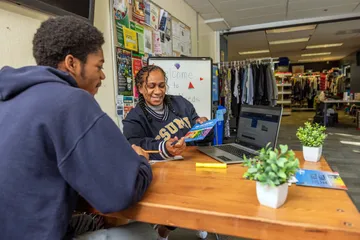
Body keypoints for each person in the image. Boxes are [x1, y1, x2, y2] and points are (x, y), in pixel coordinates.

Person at [0, 16, 156, 240]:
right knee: (144, 233)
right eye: (99, 66)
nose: (102, 75)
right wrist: (141, 161)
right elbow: (120, 193)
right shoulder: (71, 101)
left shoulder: (8, 97)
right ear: (72, 63)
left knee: (89, 220)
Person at [123, 65, 211, 240]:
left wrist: (202, 125)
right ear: (140, 88)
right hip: (164, 173)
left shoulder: (180, 103)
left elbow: (197, 126)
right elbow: (135, 145)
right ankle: (164, 230)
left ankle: (196, 221)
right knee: (180, 200)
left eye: (162, 85)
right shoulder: (134, 118)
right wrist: (164, 147)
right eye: (151, 86)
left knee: (205, 191)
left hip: (192, 163)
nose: (158, 91)